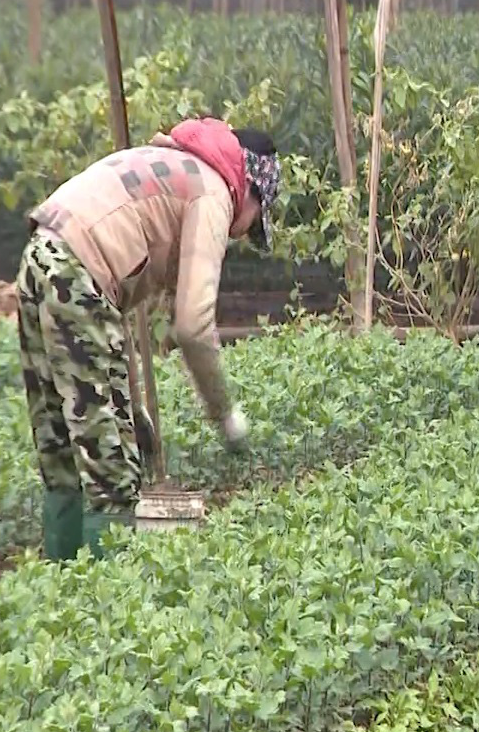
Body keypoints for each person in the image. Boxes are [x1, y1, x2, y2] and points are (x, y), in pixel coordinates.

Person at [16, 115, 282, 560]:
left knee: (59, 446)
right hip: (77, 276)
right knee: (112, 472)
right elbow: (193, 327)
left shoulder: (171, 163)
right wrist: (225, 415)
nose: (243, 233)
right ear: (251, 189)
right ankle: (109, 613)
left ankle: (59, 588)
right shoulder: (215, 191)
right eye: (253, 221)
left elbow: (113, 306)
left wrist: (132, 407)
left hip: (40, 256)